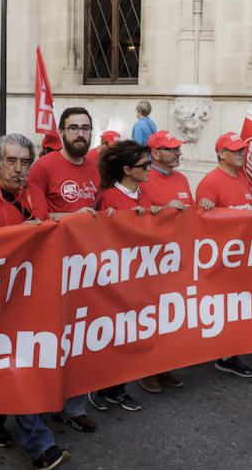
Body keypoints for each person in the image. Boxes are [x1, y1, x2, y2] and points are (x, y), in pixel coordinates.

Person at [0, 133, 71, 470]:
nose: (19, 168)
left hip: (30, 296)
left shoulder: (36, 194)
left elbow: (45, 233)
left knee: (17, 363)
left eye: (25, 162)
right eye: (11, 161)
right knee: (16, 365)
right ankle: (41, 446)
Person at [27, 107, 99, 433]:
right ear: (61, 131)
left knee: (82, 338)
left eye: (85, 128)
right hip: (53, 267)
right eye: (74, 128)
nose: (80, 134)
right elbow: (39, 220)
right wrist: (71, 218)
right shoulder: (43, 167)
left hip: (89, 266)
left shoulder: (97, 167)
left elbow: (104, 212)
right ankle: (39, 403)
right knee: (49, 338)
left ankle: (75, 406)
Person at [86, 140, 153, 413]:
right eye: (144, 165)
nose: (149, 169)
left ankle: (117, 388)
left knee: (127, 336)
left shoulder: (145, 194)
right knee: (107, 337)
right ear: (127, 169)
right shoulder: (107, 198)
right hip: (111, 279)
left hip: (137, 276)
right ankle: (96, 386)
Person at [196, 132, 252, 379]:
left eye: (243, 150)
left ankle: (227, 354)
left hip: (243, 256)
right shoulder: (210, 182)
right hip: (221, 259)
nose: (242, 154)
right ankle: (225, 355)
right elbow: (202, 222)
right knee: (223, 307)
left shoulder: (243, 178)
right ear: (222, 154)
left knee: (237, 307)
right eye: (236, 151)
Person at [137, 129, 191, 393]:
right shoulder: (144, 180)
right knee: (149, 316)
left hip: (176, 258)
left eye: (178, 148)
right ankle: (146, 368)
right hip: (151, 260)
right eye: (172, 148)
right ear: (155, 153)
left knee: (170, 315)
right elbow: (139, 218)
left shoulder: (181, 178)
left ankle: (164, 365)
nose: (179, 152)